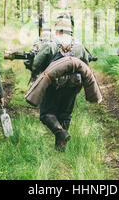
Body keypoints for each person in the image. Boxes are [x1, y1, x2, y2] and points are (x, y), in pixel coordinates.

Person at [32, 17, 89, 151]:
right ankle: (60, 147)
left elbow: (36, 64)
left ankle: (61, 133)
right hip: (73, 85)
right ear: (70, 30)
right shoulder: (79, 45)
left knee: (46, 114)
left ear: (57, 30)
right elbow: (86, 64)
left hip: (53, 85)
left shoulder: (51, 43)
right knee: (65, 114)